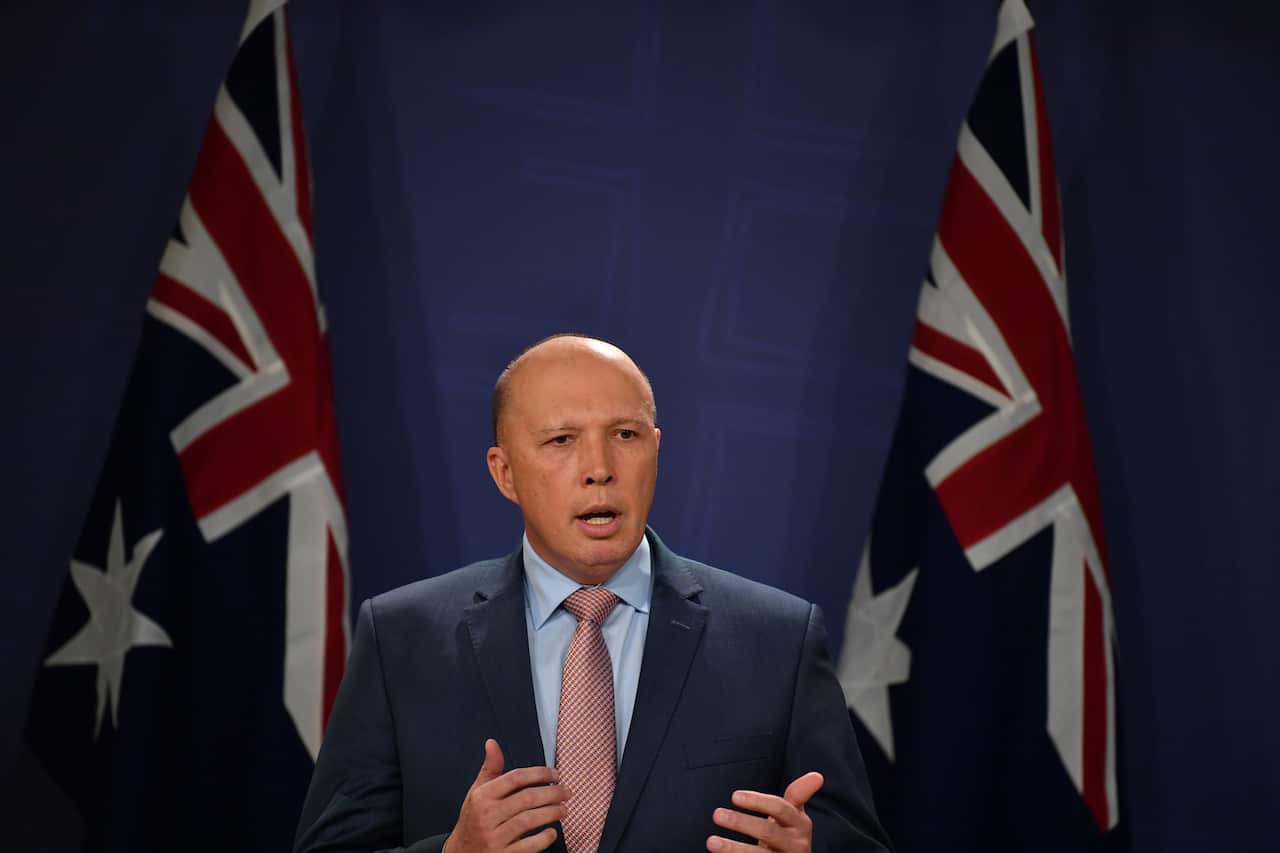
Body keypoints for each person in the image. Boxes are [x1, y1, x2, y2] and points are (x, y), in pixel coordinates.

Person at [294, 335, 892, 853]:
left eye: (625, 435)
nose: (599, 468)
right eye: (561, 440)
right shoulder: (400, 640)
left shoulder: (778, 641)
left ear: (656, 450)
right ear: (504, 472)